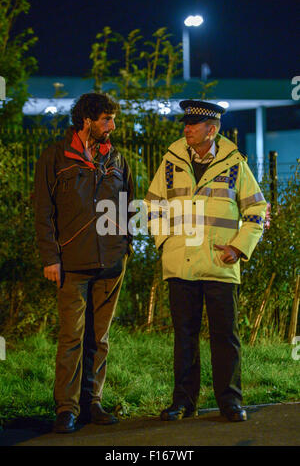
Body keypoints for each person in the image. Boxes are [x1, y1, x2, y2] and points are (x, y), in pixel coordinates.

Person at [145, 100, 267, 422]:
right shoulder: (170, 161)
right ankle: (183, 402)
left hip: (219, 264)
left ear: (211, 130)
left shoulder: (235, 163)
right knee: (184, 337)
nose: (186, 128)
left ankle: (230, 402)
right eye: (185, 123)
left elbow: (257, 212)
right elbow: (153, 206)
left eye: (193, 124)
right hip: (180, 264)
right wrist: (164, 243)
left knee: (225, 336)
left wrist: (239, 248)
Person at [34, 93, 133, 433]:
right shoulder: (56, 157)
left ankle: (93, 404)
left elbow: (128, 203)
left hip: (111, 263)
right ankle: (66, 409)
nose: (113, 126)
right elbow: (43, 211)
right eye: (107, 119)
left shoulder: (118, 159)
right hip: (72, 264)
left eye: (113, 119)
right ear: (88, 121)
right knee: (72, 337)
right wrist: (51, 257)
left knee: (100, 338)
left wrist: (125, 247)